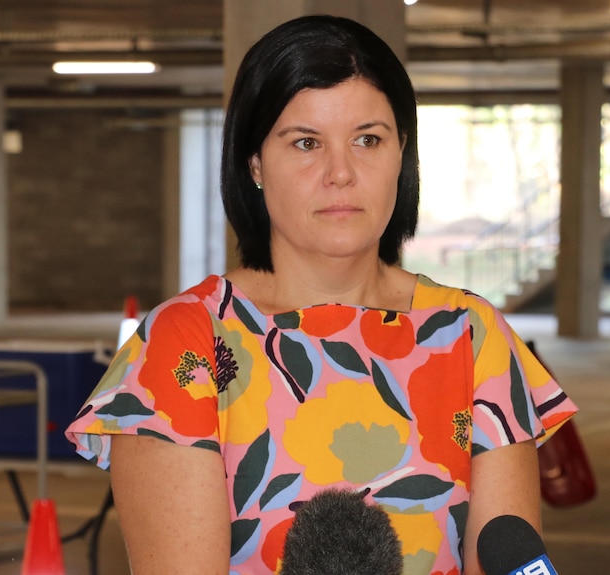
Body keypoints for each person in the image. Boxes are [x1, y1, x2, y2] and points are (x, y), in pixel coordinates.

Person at [66, 13, 577, 575]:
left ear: (401, 154)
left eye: (368, 139)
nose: (341, 172)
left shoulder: (472, 333)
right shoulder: (188, 341)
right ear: (255, 162)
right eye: (306, 142)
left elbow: (503, 552)